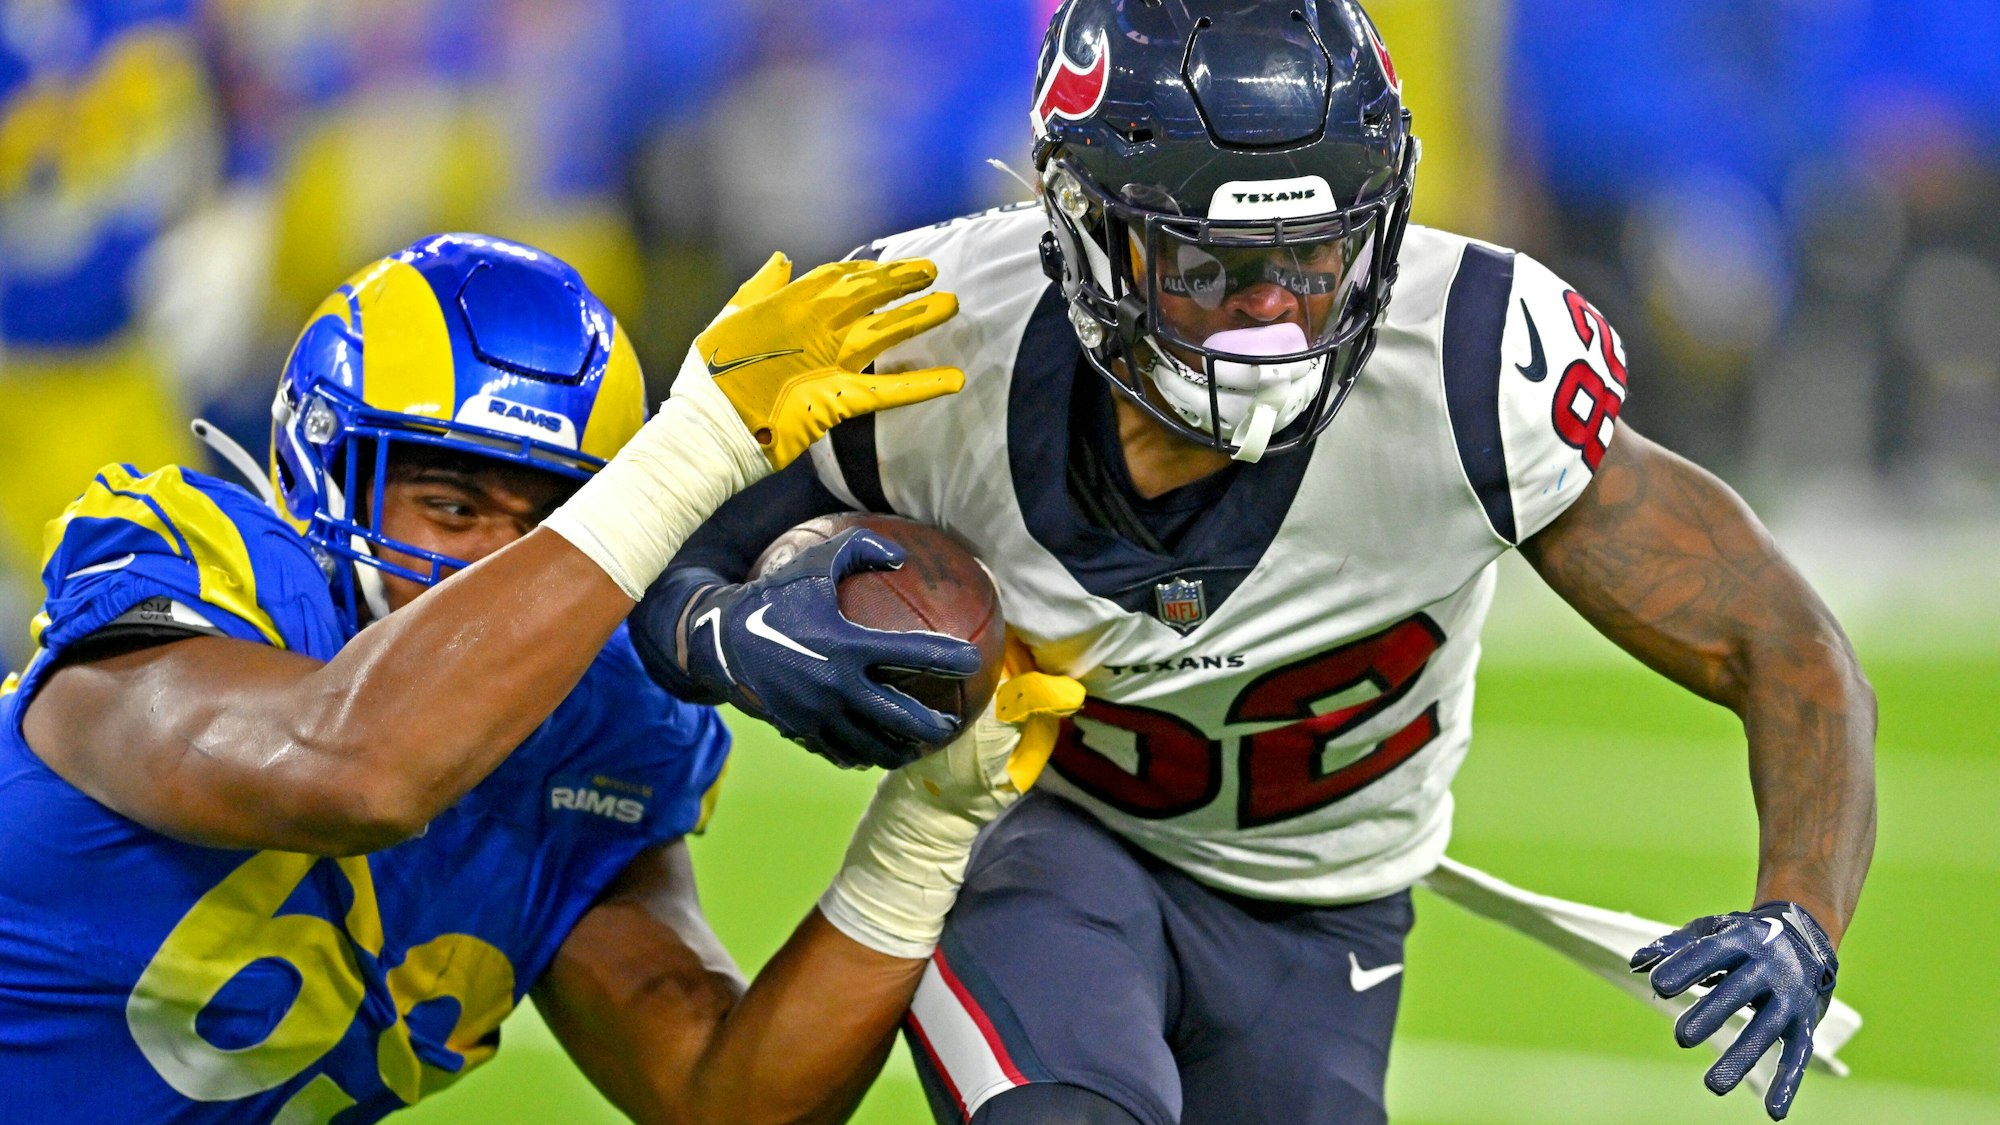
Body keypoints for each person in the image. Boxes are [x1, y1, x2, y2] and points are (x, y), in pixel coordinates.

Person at [631, 2, 1877, 1122]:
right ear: (1084, 236)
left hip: (1324, 910)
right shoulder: (930, 334)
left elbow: (1783, 646)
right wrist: (725, 638)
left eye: (1310, 258)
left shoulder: (1470, 368)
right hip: (1057, 845)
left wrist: (1797, 917)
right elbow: (663, 554)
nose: (1272, 314)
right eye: (1210, 268)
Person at [0, 232, 1080, 1122]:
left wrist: (926, 831)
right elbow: (355, 768)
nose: (494, 568)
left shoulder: (594, 728)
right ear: (321, 470)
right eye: (454, 509)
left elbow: (723, 1102)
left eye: (551, 522)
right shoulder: (200, 567)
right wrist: (697, 442)